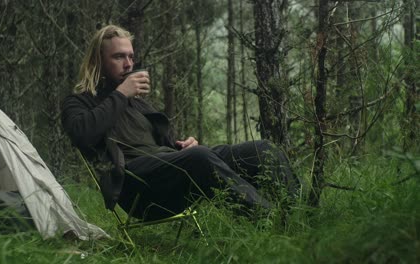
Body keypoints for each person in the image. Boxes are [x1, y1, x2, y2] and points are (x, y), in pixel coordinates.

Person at [61, 25, 300, 221]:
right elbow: (81, 134)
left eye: (131, 56)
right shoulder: (79, 102)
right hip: (140, 189)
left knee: (261, 150)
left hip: (173, 169)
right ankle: (269, 219)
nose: (128, 64)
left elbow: (166, 147)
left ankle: (299, 216)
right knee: (200, 158)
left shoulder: (137, 104)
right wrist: (122, 93)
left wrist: (185, 146)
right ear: (98, 61)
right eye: (118, 57)